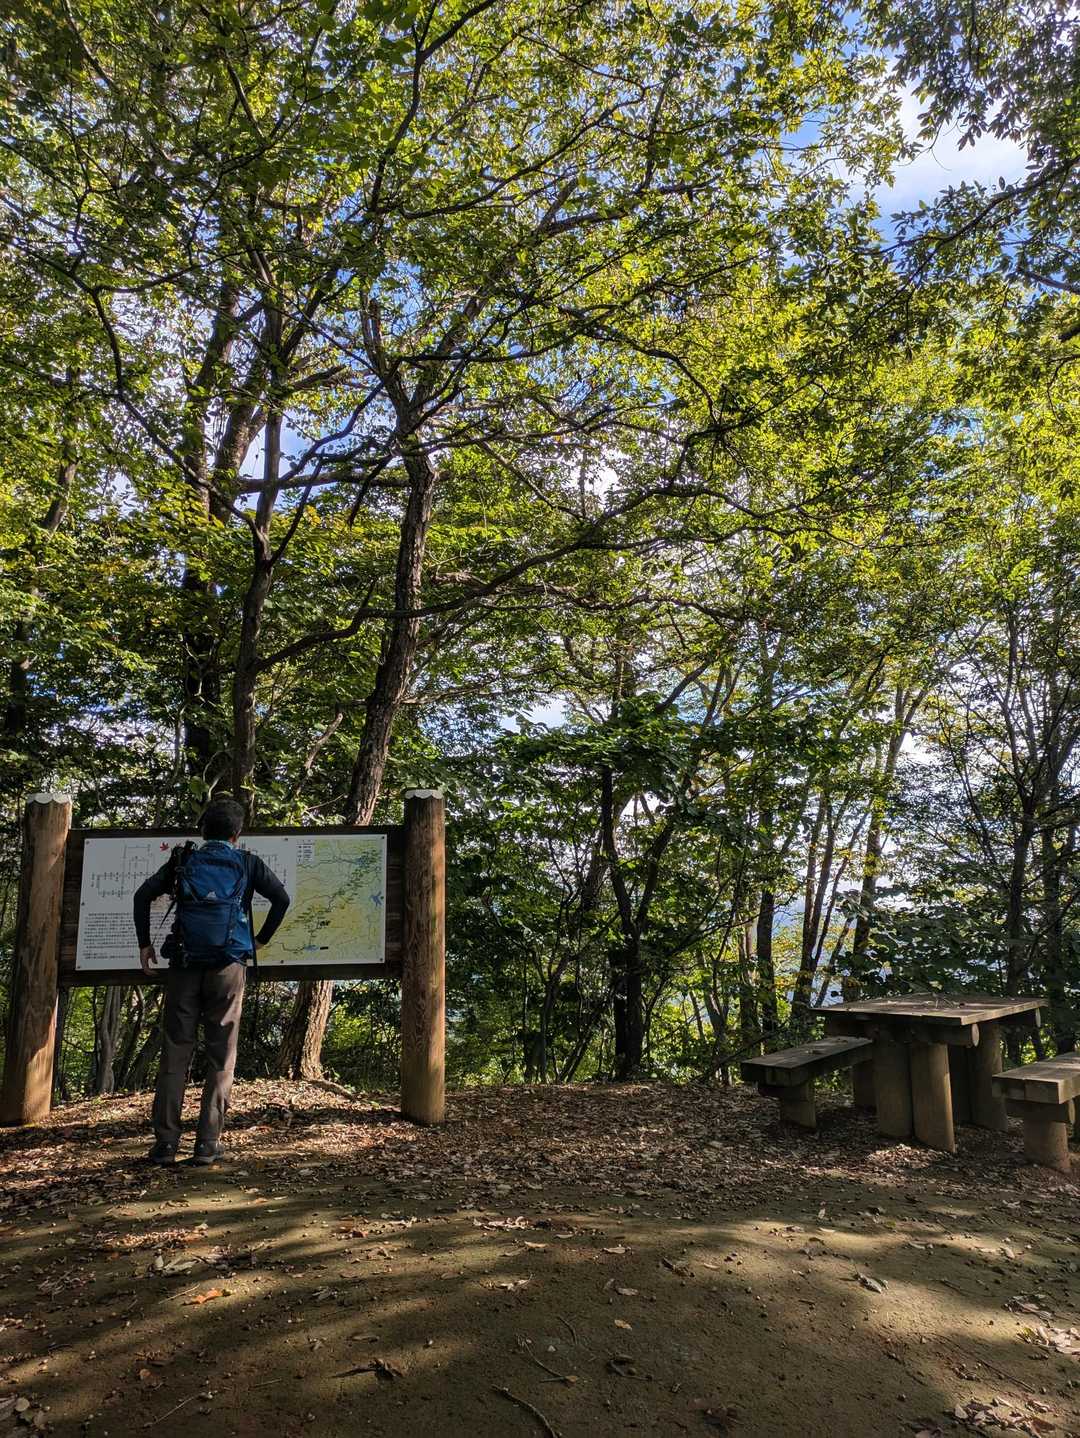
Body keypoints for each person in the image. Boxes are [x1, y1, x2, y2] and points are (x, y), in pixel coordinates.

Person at [133, 796, 290, 1166]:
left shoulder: (184, 860)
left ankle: (165, 1144)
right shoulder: (248, 863)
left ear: (203, 831)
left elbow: (142, 896)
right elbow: (282, 900)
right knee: (221, 1055)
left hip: (184, 964)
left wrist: (145, 944)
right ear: (237, 834)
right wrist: (260, 940)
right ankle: (207, 1143)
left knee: (175, 1050)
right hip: (228, 966)